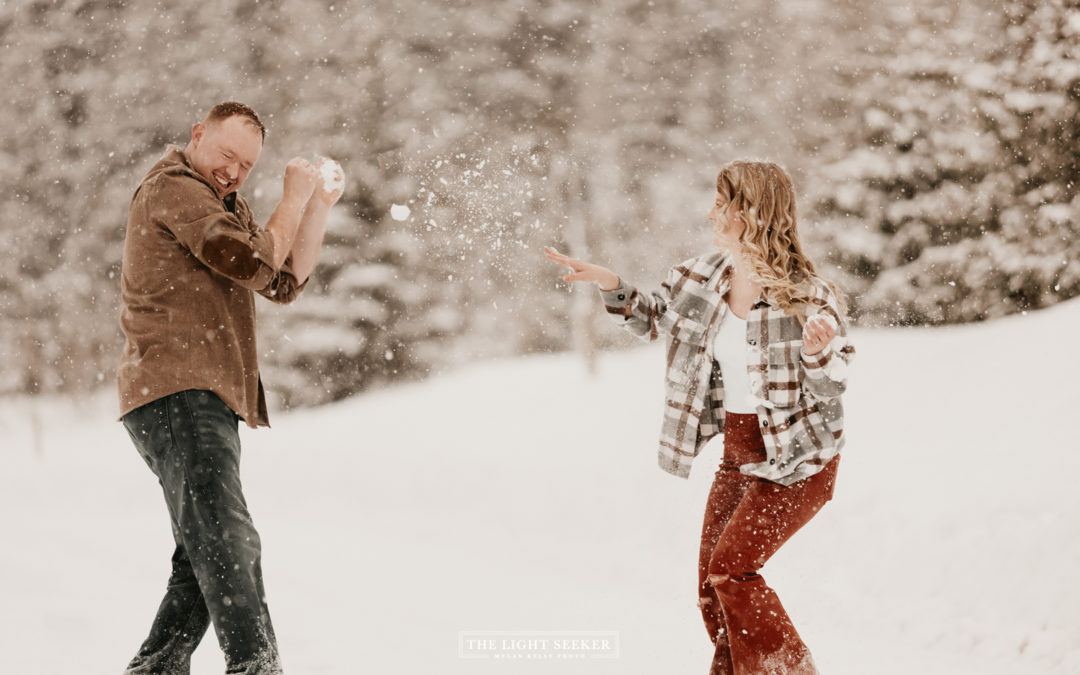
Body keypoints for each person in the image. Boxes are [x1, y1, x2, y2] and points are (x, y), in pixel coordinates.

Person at [544, 160, 854, 675]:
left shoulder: (808, 295)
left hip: (800, 459)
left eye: (721, 204)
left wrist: (819, 355)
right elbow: (653, 320)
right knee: (711, 589)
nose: (711, 213)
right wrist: (610, 283)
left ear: (750, 213)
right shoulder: (699, 279)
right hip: (739, 454)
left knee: (732, 572)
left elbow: (832, 384)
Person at [117, 101, 343, 674]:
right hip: (178, 389)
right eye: (226, 154)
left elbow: (282, 281)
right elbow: (246, 260)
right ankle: (255, 666)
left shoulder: (224, 206)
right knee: (227, 539)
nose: (234, 171)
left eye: (246, 165)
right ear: (198, 134)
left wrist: (316, 206)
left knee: (201, 554)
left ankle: (156, 669)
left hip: (197, 395)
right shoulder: (174, 188)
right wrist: (290, 199)